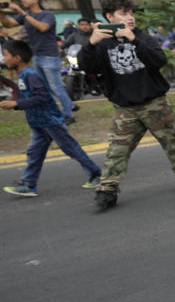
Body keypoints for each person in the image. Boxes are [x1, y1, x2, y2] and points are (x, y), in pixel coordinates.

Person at [78, 0, 175, 208]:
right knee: (117, 149)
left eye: (131, 13)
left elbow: (159, 60)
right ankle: (108, 189)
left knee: (171, 142)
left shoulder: (143, 37)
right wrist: (90, 44)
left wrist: (133, 39)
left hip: (154, 103)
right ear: (109, 17)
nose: (130, 17)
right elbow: (89, 68)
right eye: (123, 13)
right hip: (125, 107)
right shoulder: (102, 42)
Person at [0, 39, 100, 197]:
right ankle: (28, 184)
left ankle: (97, 174)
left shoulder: (30, 75)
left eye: (5, 55)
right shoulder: (23, 74)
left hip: (50, 120)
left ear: (17, 58)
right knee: (34, 152)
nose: (4, 58)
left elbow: (42, 97)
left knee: (71, 148)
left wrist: (16, 104)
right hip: (38, 122)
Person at [0, 0, 76, 123]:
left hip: (50, 56)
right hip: (37, 56)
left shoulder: (47, 15)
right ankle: (59, 109)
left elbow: (43, 28)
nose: (22, 0)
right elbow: (8, 24)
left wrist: (22, 13)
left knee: (55, 86)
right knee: (43, 88)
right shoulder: (26, 15)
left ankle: (69, 114)